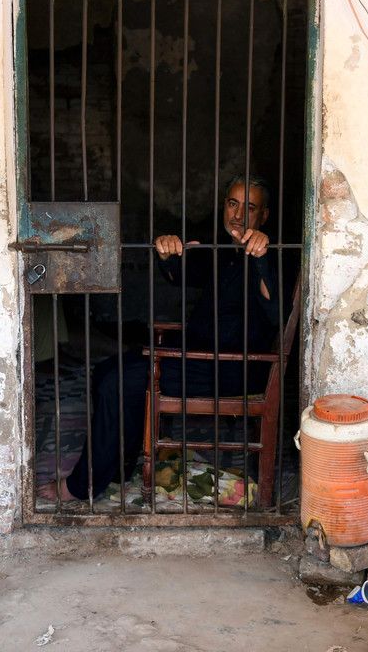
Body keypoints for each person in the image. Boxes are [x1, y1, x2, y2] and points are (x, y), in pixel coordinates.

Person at [38, 175, 281, 502]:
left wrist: (262, 256)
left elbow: (275, 309)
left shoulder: (271, 253)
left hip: (230, 367)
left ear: (263, 215)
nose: (237, 215)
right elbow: (183, 275)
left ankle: (83, 485)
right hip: (197, 356)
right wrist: (168, 253)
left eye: (249, 207)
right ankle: (117, 468)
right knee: (108, 369)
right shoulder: (227, 252)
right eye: (232, 203)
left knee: (118, 382)